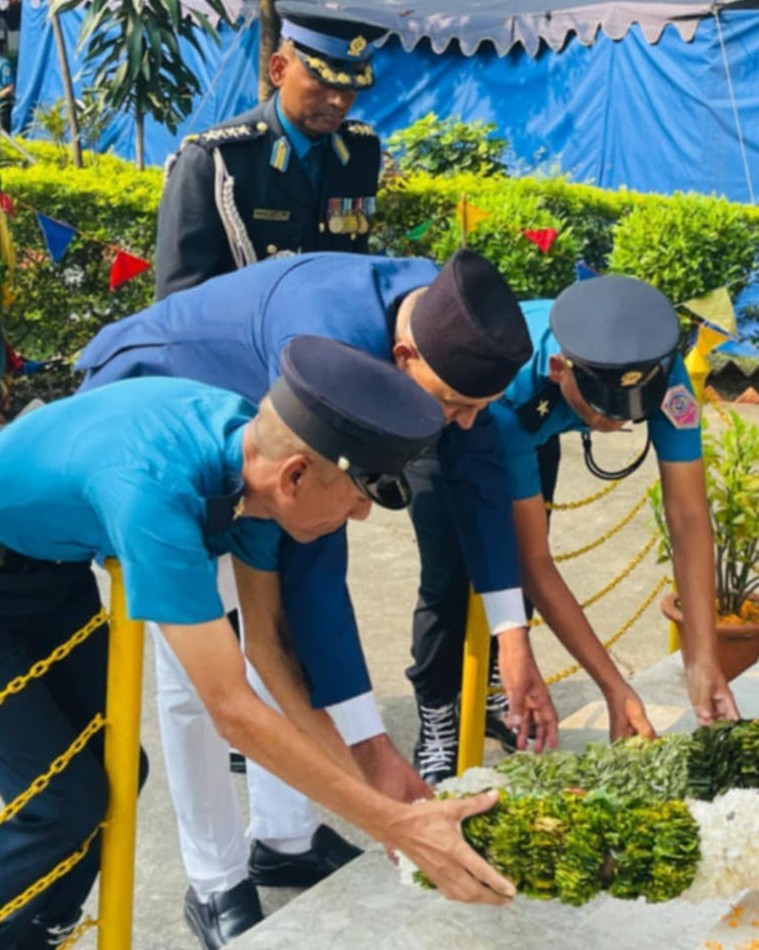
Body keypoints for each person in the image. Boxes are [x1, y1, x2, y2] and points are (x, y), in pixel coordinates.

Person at [0, 340, 513, 950]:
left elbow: (271, 657)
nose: (364, 513)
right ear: (294, 477)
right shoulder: (156, 491)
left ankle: (33, 933)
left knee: (114, 773)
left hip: (43, 573)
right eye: (364, 492)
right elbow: (232, 709)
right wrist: (391, 826)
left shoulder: (250, 467)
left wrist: (382, 796)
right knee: (62, 802)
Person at [76, 249, 541, 946]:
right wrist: (370, 752)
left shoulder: (456, 322)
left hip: (263, 450)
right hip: (162, 432)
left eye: (478, 406)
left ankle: (285, 839)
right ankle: (216, 881)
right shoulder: (325, 343)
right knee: (202, 677)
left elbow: (477, 474)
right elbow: (313, 568)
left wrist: (511, 633)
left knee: (270, 649)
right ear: (404, 355)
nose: (464, 421)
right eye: (452, 405)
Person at [413, 273, 738, 782]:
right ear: (560, 370)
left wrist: (701, 656)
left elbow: (689, 517)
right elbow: (535, 561)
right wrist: (613, 686)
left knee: (515, 580)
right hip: (457, 421)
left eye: (630, 414)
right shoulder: (511, 387)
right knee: (451, 577)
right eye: (603, 413)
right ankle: (436, 713)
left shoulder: (659, 365)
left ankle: (500, 685)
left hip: (537, 432)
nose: (617, 425)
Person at [155, 12, 386, 300]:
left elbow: (356, 260)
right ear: (278, 70)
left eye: (351, 86)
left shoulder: (359, 152)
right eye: (324, 83)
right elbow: (178, 301)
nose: (339, 101)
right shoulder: (216, 161)